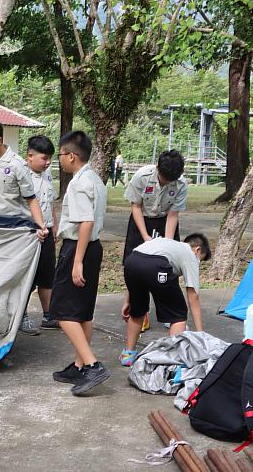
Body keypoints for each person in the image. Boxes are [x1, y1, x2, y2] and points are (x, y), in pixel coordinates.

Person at [49, 131, 109, 396]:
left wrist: (77, 262)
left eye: (60, 155)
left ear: (71, 156)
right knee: (83, 311)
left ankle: (93, 365)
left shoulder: (78, 184)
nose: (59, 160)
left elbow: (86, 222)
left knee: (61, 311)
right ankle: (79, 364)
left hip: (79, 247)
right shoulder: (94, 179)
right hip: (93, 248)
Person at [119, 233, 212, 366]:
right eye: (200, 260)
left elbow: (141, 262)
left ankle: (128, 355)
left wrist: (128, 301)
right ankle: (173, 358)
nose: (198, 263)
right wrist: (200, 334)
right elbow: (193, 295)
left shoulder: (166, 244)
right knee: (178, 315)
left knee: (137, 311)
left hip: (132, 262)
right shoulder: (190, 254)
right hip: (157, 266)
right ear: (197, 250)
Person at [123, 149, 188, 331]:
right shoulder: (142, 176)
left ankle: (169, 314)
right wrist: (145, 237)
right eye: (164, 178)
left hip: (165, 220)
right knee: (135, 266)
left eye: (171, 180)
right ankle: (139, 312)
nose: (167, 182)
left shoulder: (181, 183)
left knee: (168, 267)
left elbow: (173, 214)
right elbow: (135, 206)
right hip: (141, 220)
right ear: (158, 167)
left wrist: (166, 246)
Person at [21, 135, 59, 334]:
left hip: (47, 232)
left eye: (49, 158)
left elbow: (50, 201)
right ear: (30, 156)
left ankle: (48, 315)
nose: (48, 162)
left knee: (47, 276)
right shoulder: (21, 175)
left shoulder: (47, 173)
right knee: (28, 278)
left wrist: (54, 225)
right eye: (44, 158)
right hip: (29, 235)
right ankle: (21, 317)